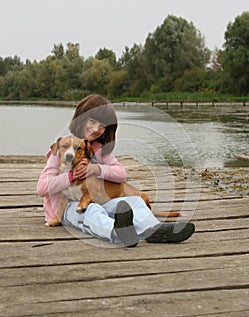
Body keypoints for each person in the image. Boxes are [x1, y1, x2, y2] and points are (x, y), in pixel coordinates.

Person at [37, 94, 195, 247]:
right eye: (92, 121)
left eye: (102, 126)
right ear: (81, 118)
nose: (95, 129)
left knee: (135, 201)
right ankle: (115, 231)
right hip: (65, 209)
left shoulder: (101, 150)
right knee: (91, 211)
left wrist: (96, 168)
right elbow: (42, 188)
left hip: (99, 199)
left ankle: (153, 229)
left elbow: (121, 174)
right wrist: (71, 176)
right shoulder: (61, 147)